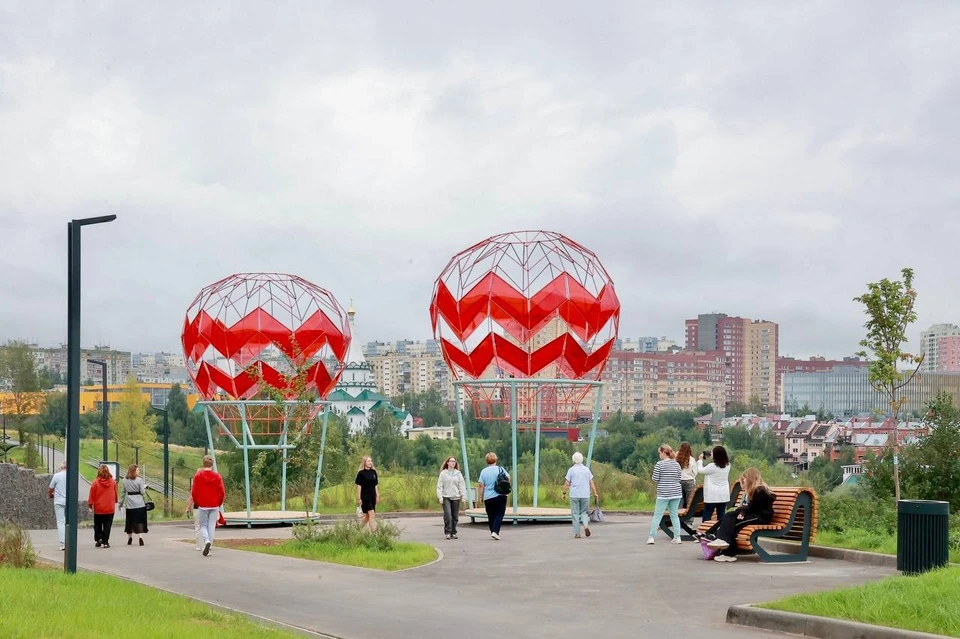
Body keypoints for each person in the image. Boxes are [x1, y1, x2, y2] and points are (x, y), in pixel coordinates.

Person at [706, 468, 777, 562]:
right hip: (753, 514)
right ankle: (718, 540)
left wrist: (742, 512)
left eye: (744, 479)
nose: (743, 482)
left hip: (761, 517)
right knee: (729, 516)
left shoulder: (760, 490)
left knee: (733, 525)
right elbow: (749, 507)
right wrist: (741, 511)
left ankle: (728, 552)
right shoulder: (753, 490)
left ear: (749, 479)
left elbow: (752, 506)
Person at [647, 445, 683, 545]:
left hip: (663, 493)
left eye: (659, 452)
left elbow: (655, 478)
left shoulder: (659, 464)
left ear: (663, 452)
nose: (659, 455)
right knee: (674, 515)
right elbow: (679, 478)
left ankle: (651, 537)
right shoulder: (676, 464)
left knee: (657, 515)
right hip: (676, 492)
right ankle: (677, 537)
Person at [191, 455, 226, 557]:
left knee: (203, 525)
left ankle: (206, 541)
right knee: (211, 526)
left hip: (202, 505)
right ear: (212, 465)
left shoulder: (198, 476)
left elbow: (194, 492)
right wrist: (219, 503)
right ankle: (209, 548)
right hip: (214, 504)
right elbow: (222, 492)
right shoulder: (217, 476)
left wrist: (198, 502)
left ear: (203, 464)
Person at [562, 452, 599, 539]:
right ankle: (585, 526)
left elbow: (567, 483)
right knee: (584, 513)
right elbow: (591, 483)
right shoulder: (586, 470)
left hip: (574, 495)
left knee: (575, 514)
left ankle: (577, 533)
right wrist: (595, 493)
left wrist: (564, 493)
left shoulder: (571, 470)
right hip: (585, 495)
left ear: (573, 460)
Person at [696, 445, 731, 528]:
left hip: (712, 495)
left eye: (712, 453)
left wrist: (700, 460)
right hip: (723, 495)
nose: (711, 454)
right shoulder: (728, 465)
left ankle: (704, 532)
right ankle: (720, 533)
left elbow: (700, 470)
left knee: (707, 515)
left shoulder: (712, 466)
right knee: (721, 515)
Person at [477, 452, 508, 540]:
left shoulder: (483, 471)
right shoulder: (500, 469)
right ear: (496, 459)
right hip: (500, 495)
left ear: (486, 461)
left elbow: (481, 485)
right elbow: (508, 478)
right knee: (499, 514)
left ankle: (493, 531)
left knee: (491, 515)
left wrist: (481, 497)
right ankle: (495, 531)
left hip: (488, 497)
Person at [436, 456, 467, 540]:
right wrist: (440, 497)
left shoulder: (458, 474)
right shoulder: (443, 474)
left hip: (456, 497)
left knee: (455, 516)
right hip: (446, 497)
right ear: (447, 463)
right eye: (451, 461)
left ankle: (453, 532)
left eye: (454, 461)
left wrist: (464, 497)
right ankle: (448, 531)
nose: (453, 463)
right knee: (448, 515)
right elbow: (439, 486)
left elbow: (462, 486)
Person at [87, 464, 118, 548]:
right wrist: (114, 501)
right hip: (109, 508)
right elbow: (115, 494)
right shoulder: (112, 482)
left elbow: (92, 495)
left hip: (99, 508)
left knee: (97, 524)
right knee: (107, 525)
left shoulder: (95, 482)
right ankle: (106, 542)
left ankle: (98, 538)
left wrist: (90, 505)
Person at [120, 464, 149, 546]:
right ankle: (140, 537)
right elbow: (142, 492)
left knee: (130, 521)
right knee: (140, 520)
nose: (139, 471)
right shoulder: (140, 480)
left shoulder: (125, 480)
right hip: (139, 503)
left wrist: (120, 503)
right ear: (134, 471)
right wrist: (144, 487)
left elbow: (123, 493)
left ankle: (129, 537)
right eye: (138, 470)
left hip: (130, 504)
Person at [675, 442, 699, 538]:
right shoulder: (691, 459)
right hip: (689, 481)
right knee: (690, 502)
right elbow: (695, 472)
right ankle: (689, 521)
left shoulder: (677, 459)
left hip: (679, 481)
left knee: (680, 501)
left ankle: (679, 520)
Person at [355, 456, 380, 532]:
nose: (370, 462)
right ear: (364, 462)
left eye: (371, 461)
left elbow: (375, 485)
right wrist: (359, 498)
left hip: (372, 496)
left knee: (367, 517)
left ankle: (357, 529)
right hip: (365, 497)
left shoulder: (373, 472)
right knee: (372, 514)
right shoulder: (361, 473)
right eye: (368, 461)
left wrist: (377, 495)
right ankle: (374, 534)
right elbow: (359, 486)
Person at [48, 461, 68, 551]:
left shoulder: (57, 476)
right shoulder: (71, 475)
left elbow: (50, 488)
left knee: (61, 522)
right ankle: (70, 540)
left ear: (61, 467)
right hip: (69, 502)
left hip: (59, 501)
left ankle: (63, 543)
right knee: (68, 522)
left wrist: (51, 495)